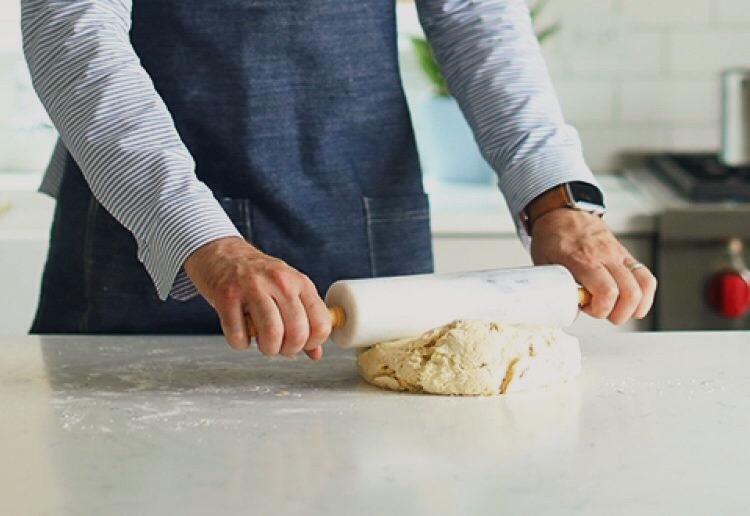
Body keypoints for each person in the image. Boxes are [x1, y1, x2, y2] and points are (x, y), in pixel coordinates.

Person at [22, 0, 657, 360]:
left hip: (365, 226)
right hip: (141, 248)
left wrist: (558, 201)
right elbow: (71, 28)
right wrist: (198, 236)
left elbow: (475, 15)